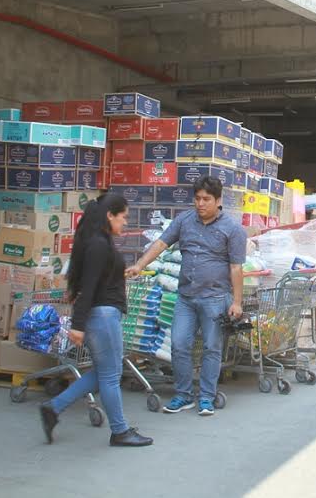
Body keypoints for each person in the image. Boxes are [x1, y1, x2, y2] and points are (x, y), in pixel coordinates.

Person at [39, 194, 152, 447]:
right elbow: (87, 288)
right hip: (103, 316)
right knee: (111, 376)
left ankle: (54, 408)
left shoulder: (96, 241)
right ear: (110, 215)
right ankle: (120, 431)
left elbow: (91, 282)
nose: (125, 222)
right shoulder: (99, 245)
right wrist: (77, 326)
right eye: (123, 217)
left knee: (104, 372)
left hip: (102, 314)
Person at [127, 176, 246, 416]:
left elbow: (236, 268)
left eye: (206, 199)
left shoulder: (233, 230)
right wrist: (140, 265)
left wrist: (236, 302)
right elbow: (161, 244)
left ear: (218, 200)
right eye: (197, 198)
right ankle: (183, 395)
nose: (200, 204)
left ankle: (207, 398)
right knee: (179, 345)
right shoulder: (184, 220)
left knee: (212, 348)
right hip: (186, 298)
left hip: (215, 298)